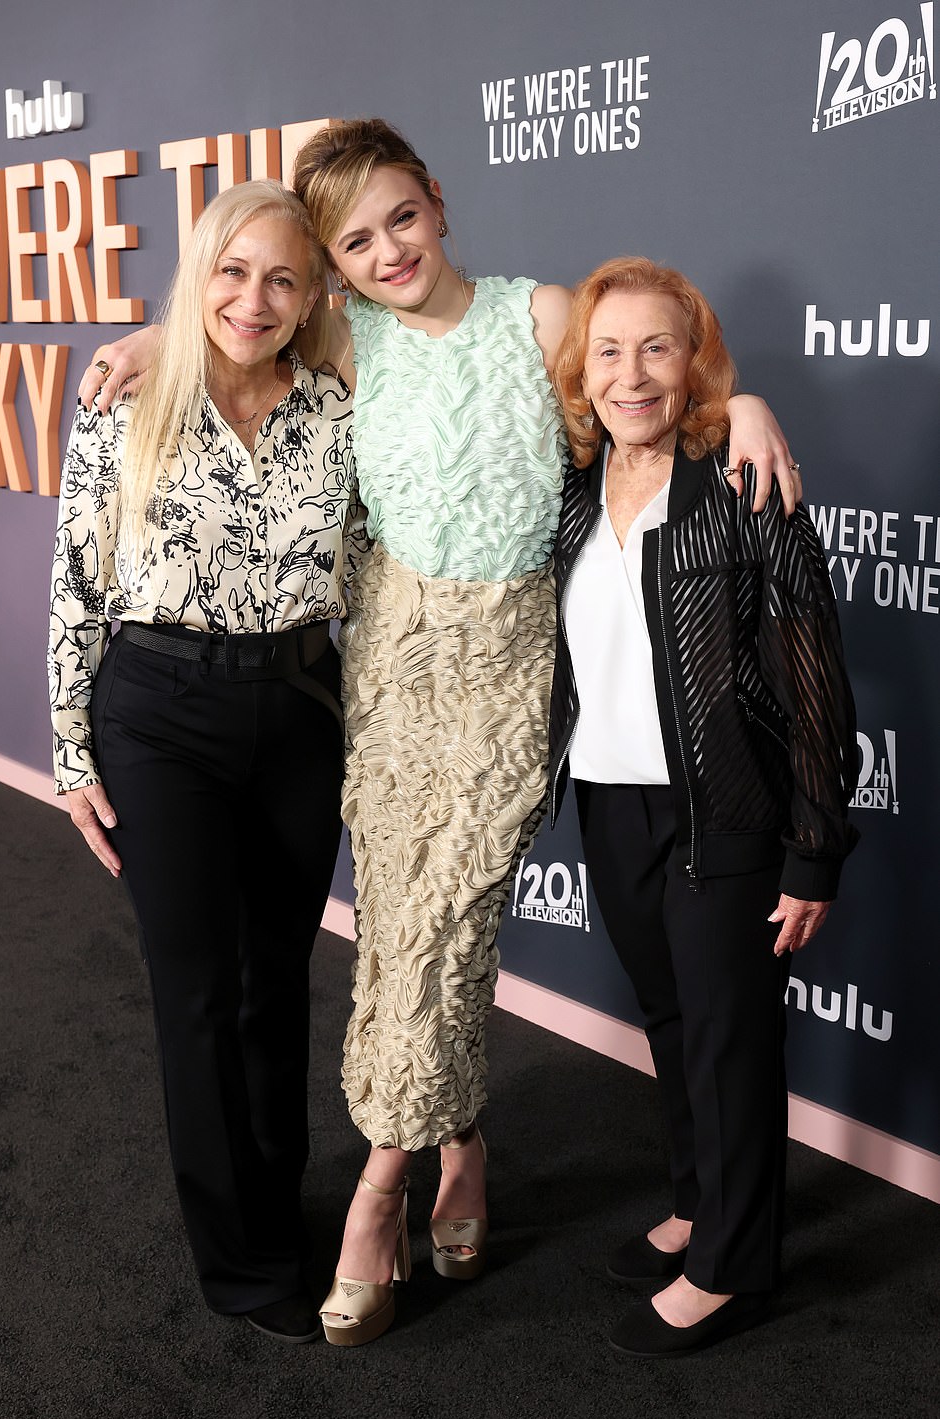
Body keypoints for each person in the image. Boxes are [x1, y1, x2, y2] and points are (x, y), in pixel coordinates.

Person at [78, 118, 802, 1349]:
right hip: (385, 671)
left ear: (441, 204)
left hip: (510, 663)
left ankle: (378, 1190)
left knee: (447, 916)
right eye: (352, 241)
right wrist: (156, 335)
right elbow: (236, 324)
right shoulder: (342, 339)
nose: (384, 250)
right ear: (335, 268)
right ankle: (459, 1143)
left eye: (400, 217)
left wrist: (747, 407)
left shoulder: (540, 317)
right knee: (406, 926)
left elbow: (643, 379)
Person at [48, 179, 363, 1343]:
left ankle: (280, 1209)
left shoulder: (340, 404)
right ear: (196, 276)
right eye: (231, 272)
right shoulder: (124, 395)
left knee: (276, 981)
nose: (253, 298)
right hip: (157, 712)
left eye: (282, 276)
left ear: (313, 291)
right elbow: (77, 578)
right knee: (195, 991)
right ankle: (239, 1262)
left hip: (295, 707)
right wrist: (71, 748)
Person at [549, 256, 858, 1358]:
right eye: (609, 351)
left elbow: (812, 669)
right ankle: (694, 1203)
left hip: (722, 808)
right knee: (672, 1022)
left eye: (658, 347)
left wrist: (814, 846)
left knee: (728, 1038)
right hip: (606, 796)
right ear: (581, 374)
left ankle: (734, 1265)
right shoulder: (573, 492)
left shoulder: (741, 483)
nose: (631, 373)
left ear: (695, 364)